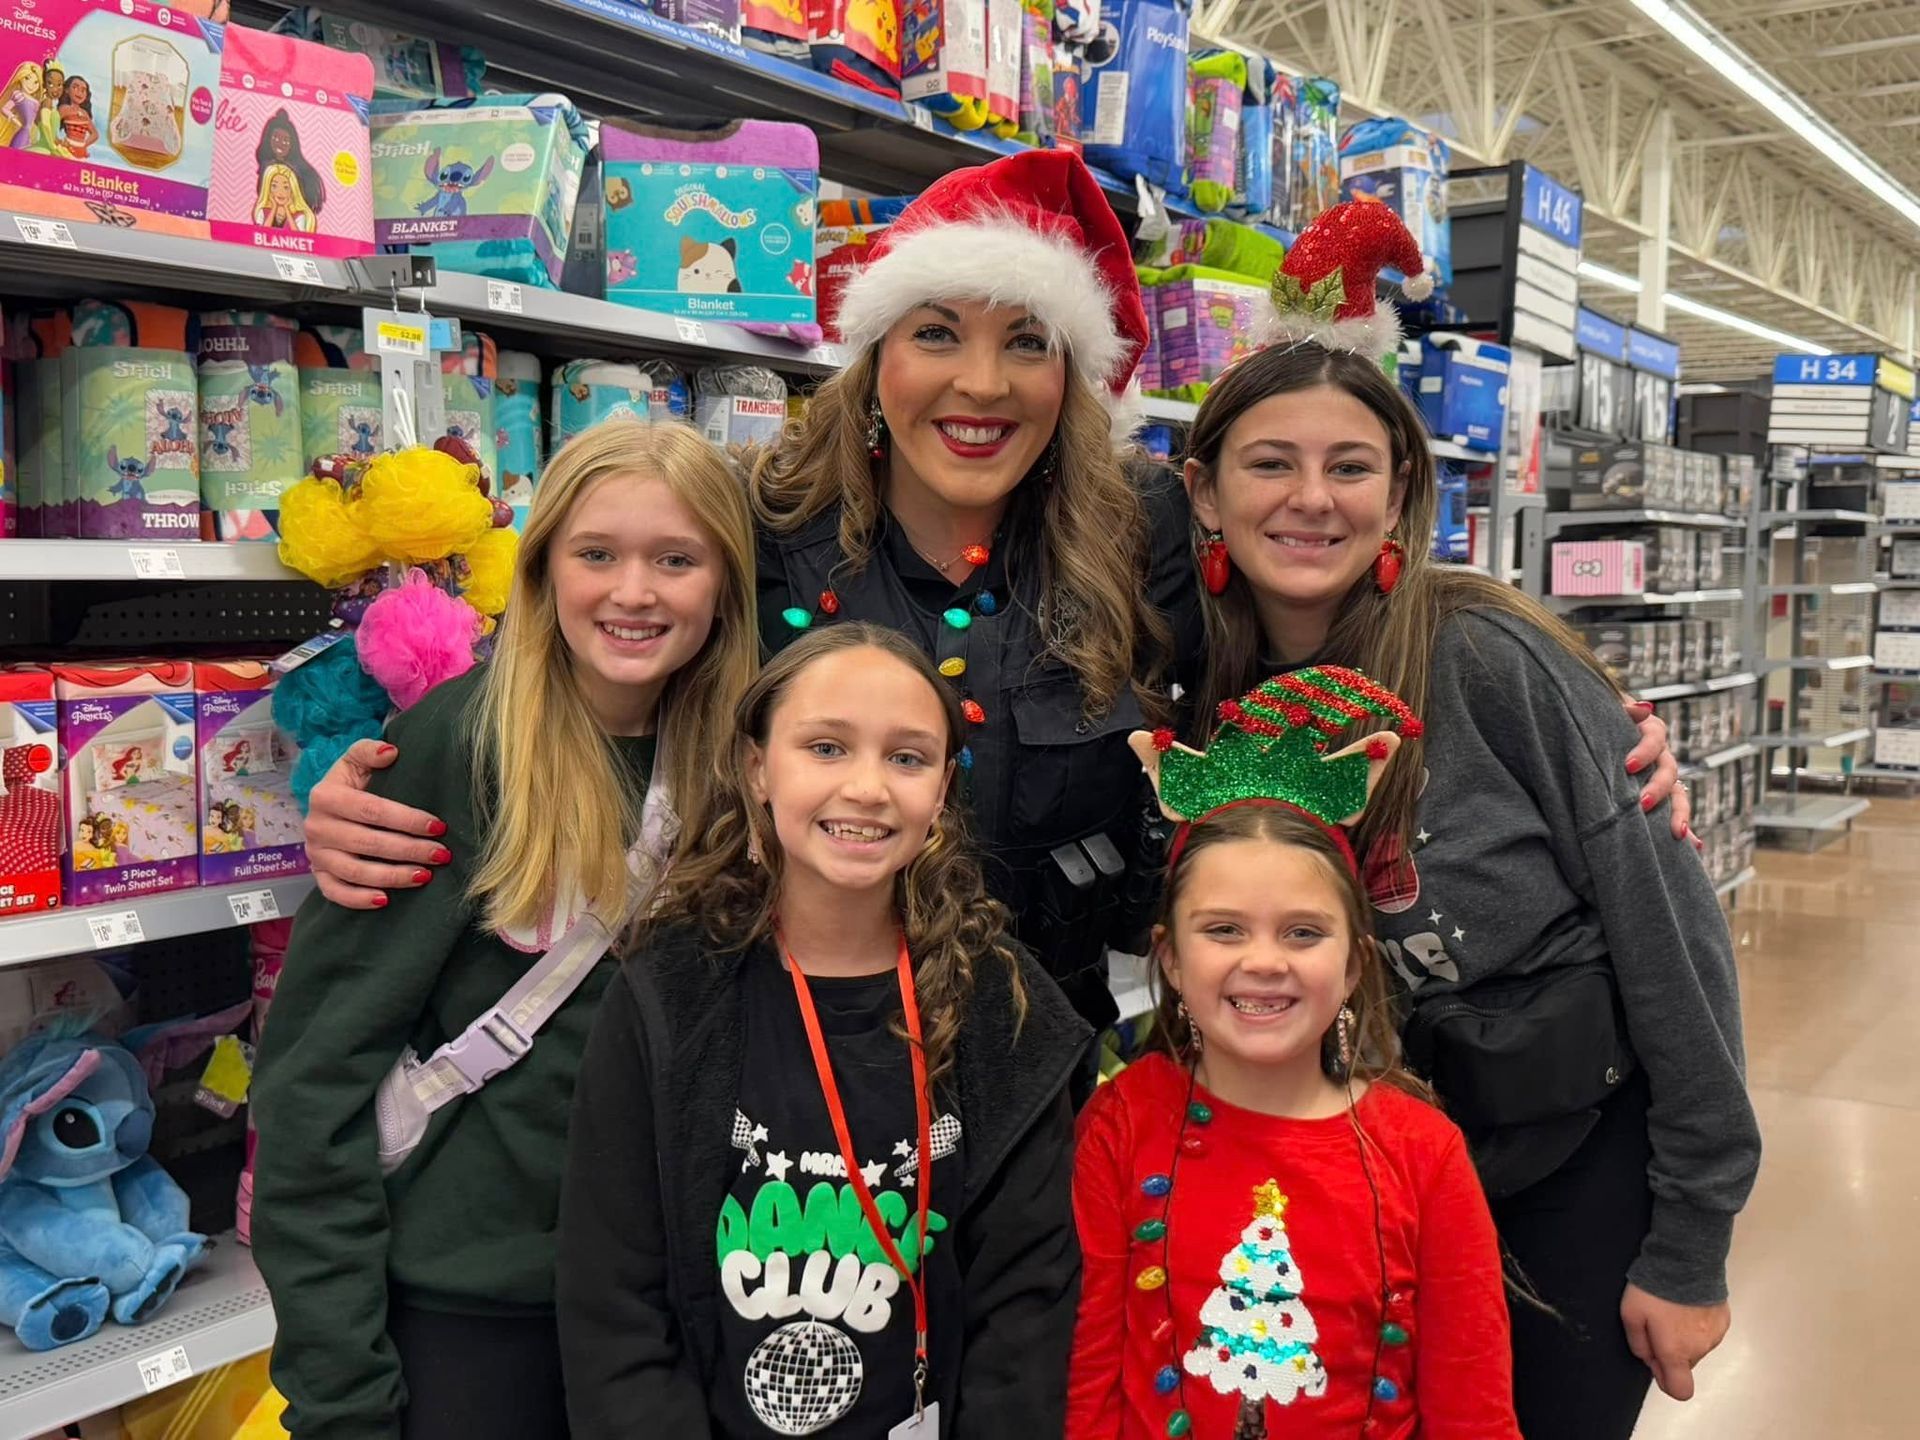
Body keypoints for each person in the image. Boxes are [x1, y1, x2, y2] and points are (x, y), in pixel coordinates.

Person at [291, 155, 1686, 1031]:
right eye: (939, 335)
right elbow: (605, 635)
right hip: (787, 1038)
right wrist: (408, 772)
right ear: (875, 362)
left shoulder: (1144, 532)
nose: (981, 382)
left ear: (1071, 375)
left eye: (1029, 341)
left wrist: (1590, 723)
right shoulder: (769, 519)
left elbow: (1313, 631)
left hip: (1054, 1048)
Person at [1179, 201, 1760, 1440]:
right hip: (1349, 1177)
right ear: (1205, 491)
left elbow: (1675, 942)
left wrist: (1693, 1240)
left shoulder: (1491, 659)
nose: (1310, 500)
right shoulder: (1198, 685)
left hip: (1564, 1179)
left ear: (1401, 499)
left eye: (1351, 467)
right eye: (1269, 462)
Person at [251, 421, 759, 1440]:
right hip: (469, 1316)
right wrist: (340, 1397)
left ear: (726, 584)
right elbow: (314, 1085)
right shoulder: (457, 746)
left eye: (675, 559)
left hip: (671, 1314)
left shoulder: (751, 766)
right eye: (597, 554)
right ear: (541, 569)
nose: (633, 592)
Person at [558, 624, 1089, 1436]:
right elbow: (615, 1303)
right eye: (827, 748)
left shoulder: (1002, 1009)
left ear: (943, 789)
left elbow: (1021, 1318)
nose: (868, 788)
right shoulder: (669, 996)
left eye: (906, 758)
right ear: (756, 767)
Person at [1069, 673, 1518, 1439]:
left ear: (1352, 967)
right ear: (1170, 960)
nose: (1265, 962)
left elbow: (1472, 1409)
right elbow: (1090, 1380)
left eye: (1303, 933)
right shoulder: (1122, 1123)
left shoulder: (1424, 1156)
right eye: (1223, 930)